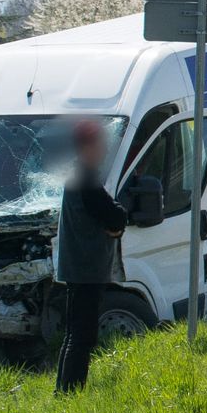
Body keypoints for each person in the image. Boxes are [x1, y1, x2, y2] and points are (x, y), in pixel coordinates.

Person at [56, 118, 128, 393]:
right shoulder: (85, 179)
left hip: (80, 269)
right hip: (84, 270)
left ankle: (64, 391)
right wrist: (116, 223)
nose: (104, 150)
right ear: (87, 147)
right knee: (82, 337)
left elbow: (112, 219)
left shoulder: (80, 176)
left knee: (76, 334)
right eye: (100, 144)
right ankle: (69, 392)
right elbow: (114, 215)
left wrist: (114, 224)